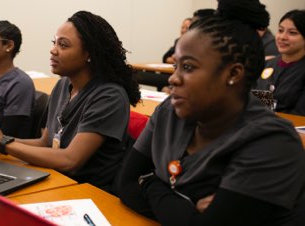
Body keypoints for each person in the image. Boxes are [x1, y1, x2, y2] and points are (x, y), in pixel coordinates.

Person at [116, 0, 305, 225]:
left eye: (188, 67)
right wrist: (175, 199)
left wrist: (148, 183)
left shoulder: (271, 141)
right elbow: (124, 184)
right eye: (176, 66)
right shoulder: (169, 112)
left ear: (233, 74)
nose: (173, 78)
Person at [0, 11, 140, 192]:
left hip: (87, 190)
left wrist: (3, 143)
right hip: (54, 178)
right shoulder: (63, 85)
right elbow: (46, 142)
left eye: (63, 45)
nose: (53, 50)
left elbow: (70, 160)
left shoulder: (109, 96)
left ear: (89, 54)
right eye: (54, 43)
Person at [256, 9, 305, 116]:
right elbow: (257, 105)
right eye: (280, 30)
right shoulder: (267, 64)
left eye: (292, 33)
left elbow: (300, 115)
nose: (282, 37)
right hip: (259, 126)